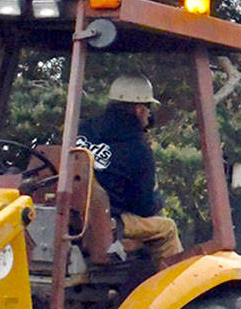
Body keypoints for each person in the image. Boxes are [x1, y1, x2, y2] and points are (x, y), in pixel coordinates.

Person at [77, 73, 182, 261]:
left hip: (70, 215)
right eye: (148, 109)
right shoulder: (138, 148)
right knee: (167, 228)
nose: (149, 115)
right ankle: (174, 285)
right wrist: (158, 201)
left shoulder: (83, 129)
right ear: (140, 110)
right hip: (108, 222)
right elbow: (144, 207)